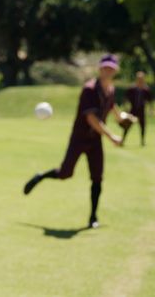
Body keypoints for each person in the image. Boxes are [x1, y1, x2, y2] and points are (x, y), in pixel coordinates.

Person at [23, 54, 135, 229]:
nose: (108, 71)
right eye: (105, 67)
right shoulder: (89, 89)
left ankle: (93, 217)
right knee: (66, 173)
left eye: (111, 68)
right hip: (80, 137)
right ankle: (41, 176)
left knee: (97, 177)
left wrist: (121, 118)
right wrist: (112, 136)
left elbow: (111, 105)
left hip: (95, 139)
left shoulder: (110, 89)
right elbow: (91, 118)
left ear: (115, 71)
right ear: (100, 68)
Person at [123, 71, 152, 146]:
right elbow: (126, 98)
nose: (140, 80)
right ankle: (122, 140)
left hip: (141, 110)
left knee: (143, 126)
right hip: (133, 110)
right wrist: (125, 106)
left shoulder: (146, 89)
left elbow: (149, 100)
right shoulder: (132, 88)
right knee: (128, 125)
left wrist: (151, 109)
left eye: (142, 79)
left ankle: (142, 141)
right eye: (139, 79)